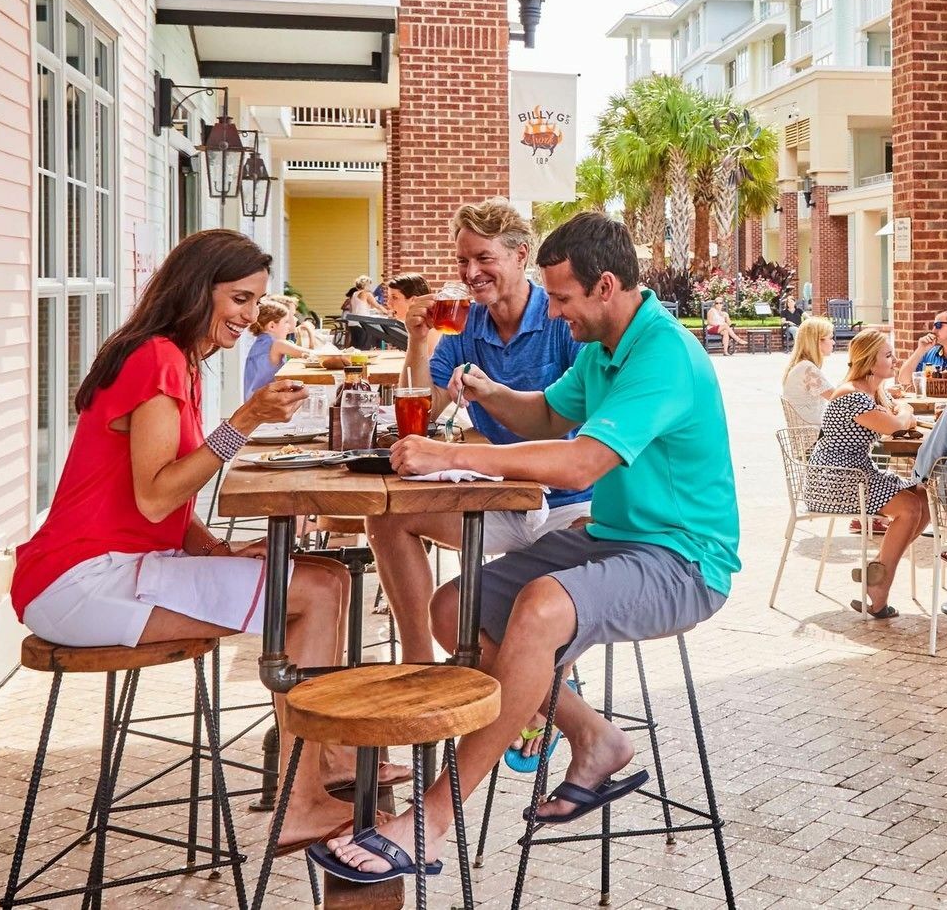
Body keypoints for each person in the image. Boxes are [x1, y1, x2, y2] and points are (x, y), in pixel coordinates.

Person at [314, 213, 740, 884]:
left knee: (541, 607)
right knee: (456, 608)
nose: (557, 312)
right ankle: (593, 734)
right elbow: (545, 413)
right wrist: (489, 392)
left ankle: (431, 818)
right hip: (613, 540)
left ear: (605, 286)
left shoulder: (662, 353)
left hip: (684, 559)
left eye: (564, 299)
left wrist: (445, 453)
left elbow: (579, 464)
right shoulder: (603, 346)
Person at [10, 229, 355, 849]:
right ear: (200, 290)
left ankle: (325, 765)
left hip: (119, 566)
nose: (250, 317)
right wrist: (244, 421)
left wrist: (216, 553)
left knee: (326, 577)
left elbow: (153, 503)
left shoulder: (176, 359)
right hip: (81, 581)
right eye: (240, 300)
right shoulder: (157, 359)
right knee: (317, 592)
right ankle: (304, 798)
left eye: (256, 304)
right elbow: (156, 495)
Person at [372, 201, 589, 663]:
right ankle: (418, 665)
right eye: (462, 261)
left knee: (535, 603)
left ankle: (538, 696)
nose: (471, 272)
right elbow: (423, 410)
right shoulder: (464, 325)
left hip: (572, 507)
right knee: (387, 516)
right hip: (504, 500)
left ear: (520, 256)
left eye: (483, 258)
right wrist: (416, 341)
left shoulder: (563, 321)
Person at [807, 328, 930, 618]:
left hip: (857, 471)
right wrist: (904, 412)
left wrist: (900, 411)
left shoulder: (869, 391)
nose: (895, 359)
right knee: (910, 509)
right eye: (887, 355)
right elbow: (895, 425)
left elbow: (896, 417)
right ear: (869, 362)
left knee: (924, 499)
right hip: (837, 478)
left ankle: (877, 568)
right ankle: (879, 587)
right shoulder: (853, 395)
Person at [243, 296, 329, 398]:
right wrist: (309, 330)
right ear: (272, 326)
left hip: (253, 403)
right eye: (286, 322)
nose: (288, 327)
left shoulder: (260, 343)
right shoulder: (278, 344)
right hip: (266, 404)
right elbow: (313, 355)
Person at [781, 315, 835, 443]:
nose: (833, 342)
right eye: (831, 338)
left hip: (810, 440)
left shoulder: (802, 366)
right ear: (817, 341)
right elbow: (839, 398)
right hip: (815, 442)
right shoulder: (807, 369)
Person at [910, 308, 947, 378]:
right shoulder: (929, 353)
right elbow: (904, 379)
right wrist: (920, 350)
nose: (933, 330)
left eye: (938, 325)